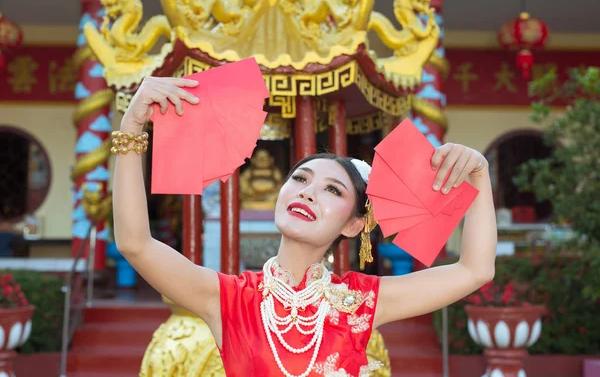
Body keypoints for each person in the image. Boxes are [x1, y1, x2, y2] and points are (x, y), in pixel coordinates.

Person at [112, 77, 497, 377]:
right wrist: (132, 124)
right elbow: (135, 244)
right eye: (300, 179)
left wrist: (479, 177)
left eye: (331, 189)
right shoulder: (229, 299)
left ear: (354, 225)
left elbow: (475, 270)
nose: (308, 192)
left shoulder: (360, 303)